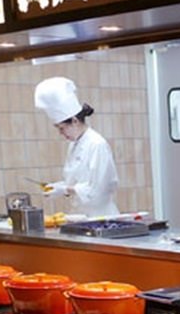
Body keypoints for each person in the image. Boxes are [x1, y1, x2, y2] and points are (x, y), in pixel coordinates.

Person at [34, 77, 119, 217]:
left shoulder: (97, 144)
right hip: (80, 216)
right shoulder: (74, 145)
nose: (61, 133)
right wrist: (59, 186)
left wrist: (65, 189)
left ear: (74, 121)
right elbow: (77, 183)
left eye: (62, 128)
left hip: (101, 217)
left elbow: (99, 189)